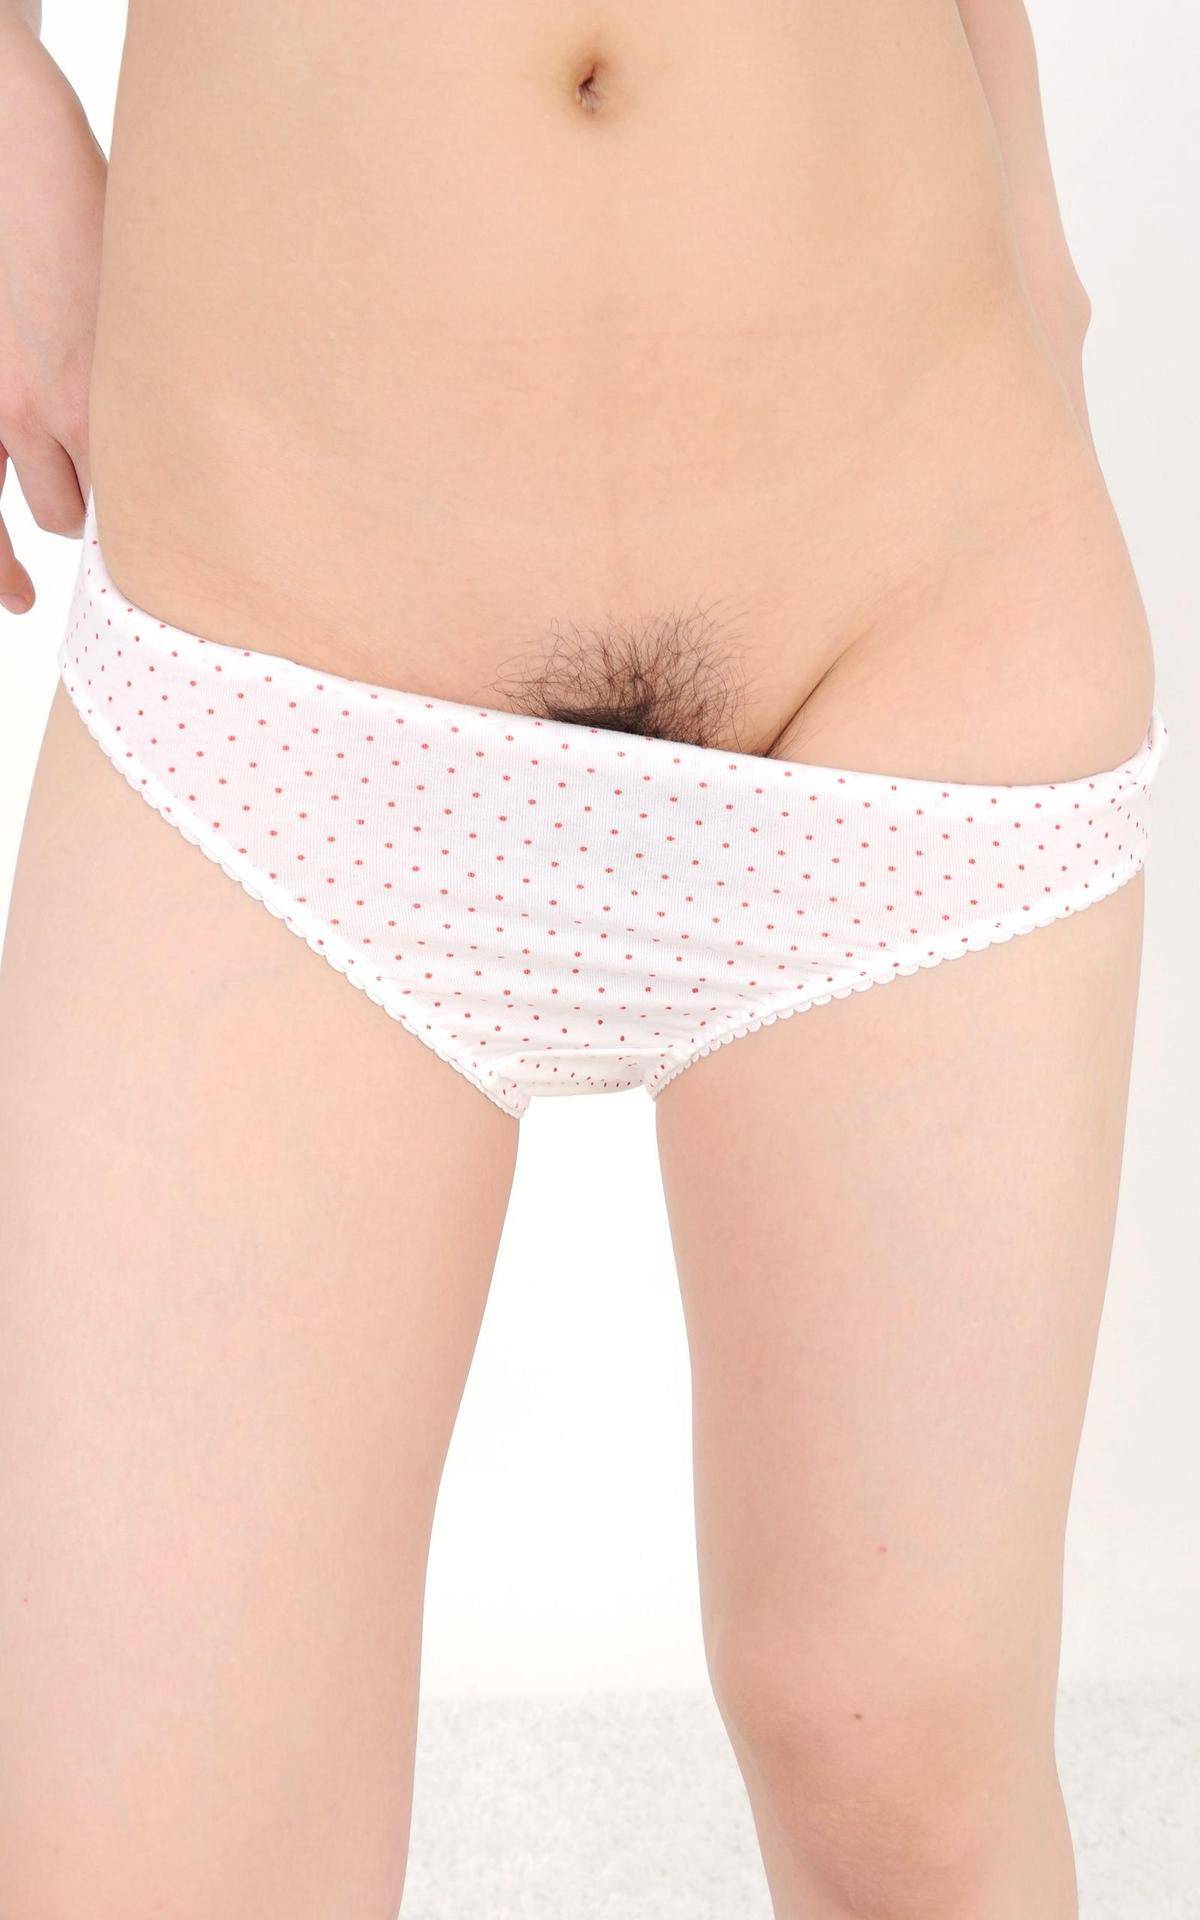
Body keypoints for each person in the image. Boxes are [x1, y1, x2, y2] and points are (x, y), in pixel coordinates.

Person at [0, 1, 1164, 1914]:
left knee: (905, 1776)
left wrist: (1026, 185)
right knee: (142, 1860)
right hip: (276, 676)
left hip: (913, 614)